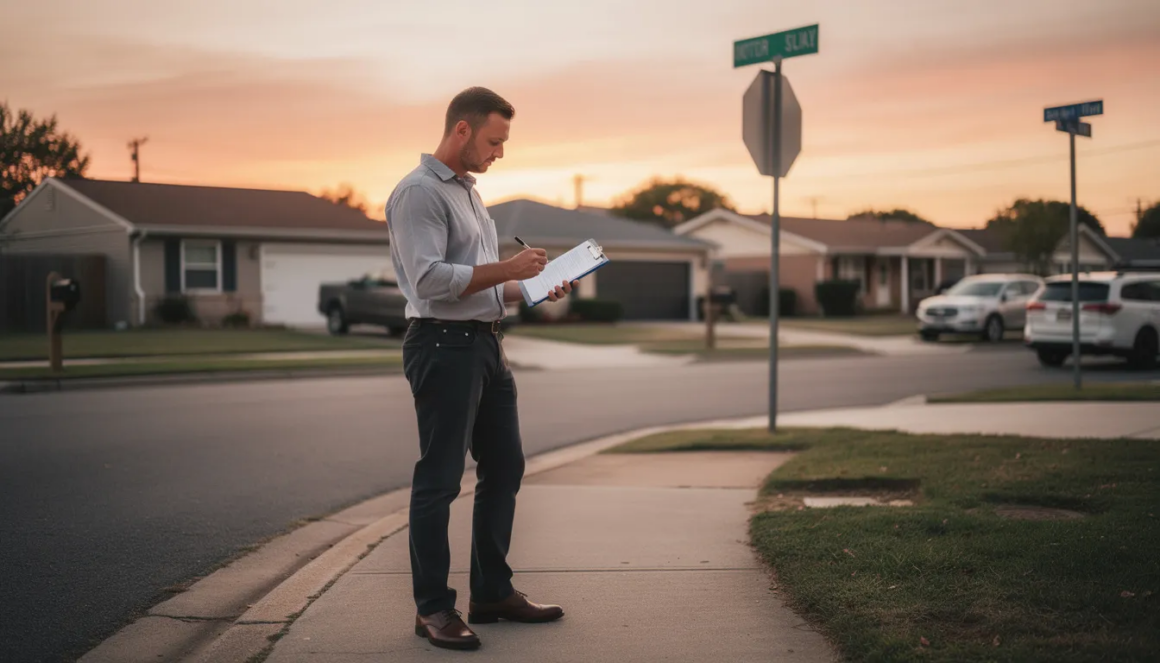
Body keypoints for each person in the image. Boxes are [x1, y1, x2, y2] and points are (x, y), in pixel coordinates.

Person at [385, 86, 572, 651]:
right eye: (494, 140)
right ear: (461, 131)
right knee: (440, 479)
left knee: (506, 467)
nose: (500, 152)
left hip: (486, 344)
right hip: (442, 346)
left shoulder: (470, 195)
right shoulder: (418, 194)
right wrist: (506, 266)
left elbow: (479, 285)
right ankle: (433, 610)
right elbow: (429, 280)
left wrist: (532, 287)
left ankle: (491, 592)